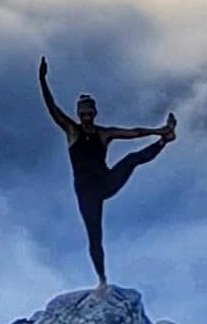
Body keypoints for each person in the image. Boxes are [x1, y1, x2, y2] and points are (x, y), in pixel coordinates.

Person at [38, 55, 176, 296]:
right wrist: (42, 80)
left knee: (132, 159)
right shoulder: (72, 131)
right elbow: (53, 108)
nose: (86, 117)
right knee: (94, 236)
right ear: (79, 114)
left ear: (95, 113)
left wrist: (158, 131)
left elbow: (133, 132)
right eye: (83, 114)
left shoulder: (104, 134)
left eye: (89, 113)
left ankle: (166, 140)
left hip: (106, 182)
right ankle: (102, 279)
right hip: (86, 193)